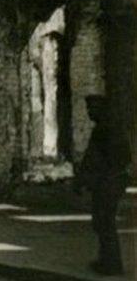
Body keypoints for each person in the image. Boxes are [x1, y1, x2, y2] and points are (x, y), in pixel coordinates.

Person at [75, 94, 130, 276]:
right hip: (107, 182)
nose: (89, 112)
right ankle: (107, 260)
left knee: (104, 222)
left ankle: (111, 264)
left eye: (92, 108)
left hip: (107, 182)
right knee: (103, 222)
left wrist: (97, 175)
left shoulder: (106, 130)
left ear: (101, 109)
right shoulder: (106, 128)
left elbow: (99, 158)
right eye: (88, 108)